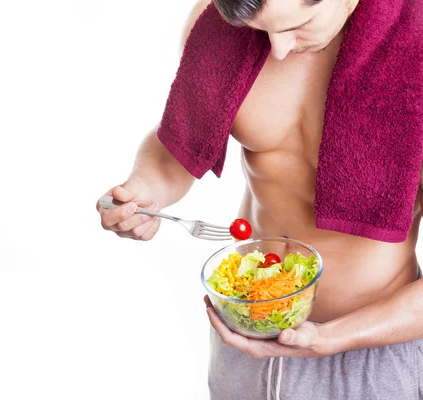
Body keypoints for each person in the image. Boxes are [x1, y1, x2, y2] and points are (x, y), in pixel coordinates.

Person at [96, 0, 423, 398]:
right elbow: (179, 142)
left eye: (298, 25)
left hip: (369, 351)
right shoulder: (217, 21)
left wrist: (331, 338)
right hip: (245, 333)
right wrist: (145, 188)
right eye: (262, 29)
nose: (277, 48)